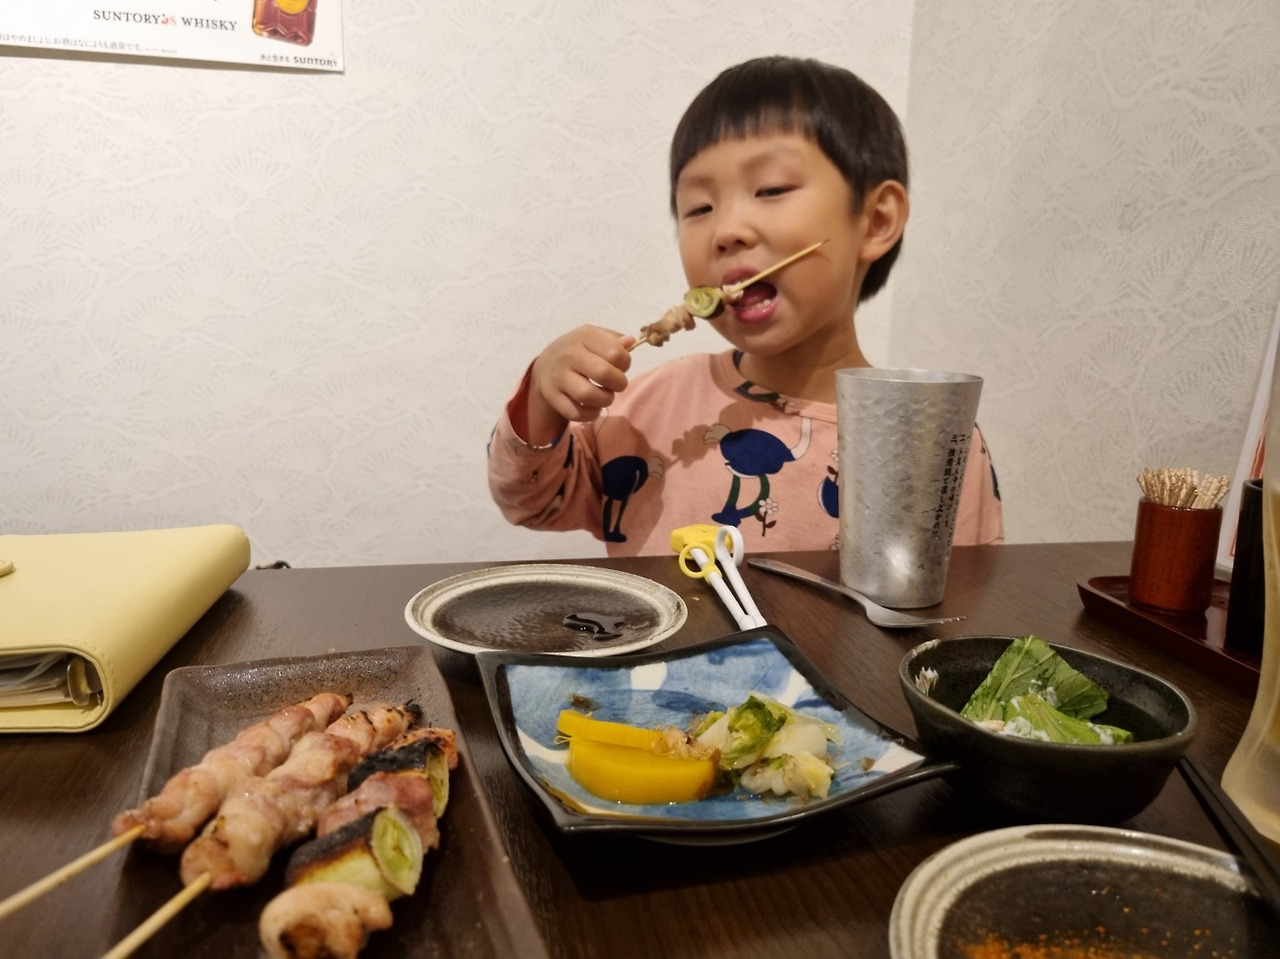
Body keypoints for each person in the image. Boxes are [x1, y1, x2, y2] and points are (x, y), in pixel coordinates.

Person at [487, 55, 1003, 556]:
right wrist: (542, 396)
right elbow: (532, 502)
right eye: (699, 208)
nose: (727, 230)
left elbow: (969, 599)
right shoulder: (645, 409)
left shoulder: (932, 443)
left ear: (876, 221)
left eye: (771, 189)